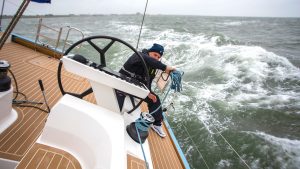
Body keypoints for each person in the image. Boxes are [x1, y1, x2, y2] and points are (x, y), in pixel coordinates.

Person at [119, 43, 175, 138]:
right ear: (149, 52)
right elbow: (147, 59)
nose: (156, 58)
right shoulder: (139, 55)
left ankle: (156, 124)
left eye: (158, 57)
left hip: (137, 88)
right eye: (154, 54)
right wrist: (166, 68)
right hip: (123, 84)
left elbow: (148, 81)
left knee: (155, 100)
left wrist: (148, 92)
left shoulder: (152, 67)